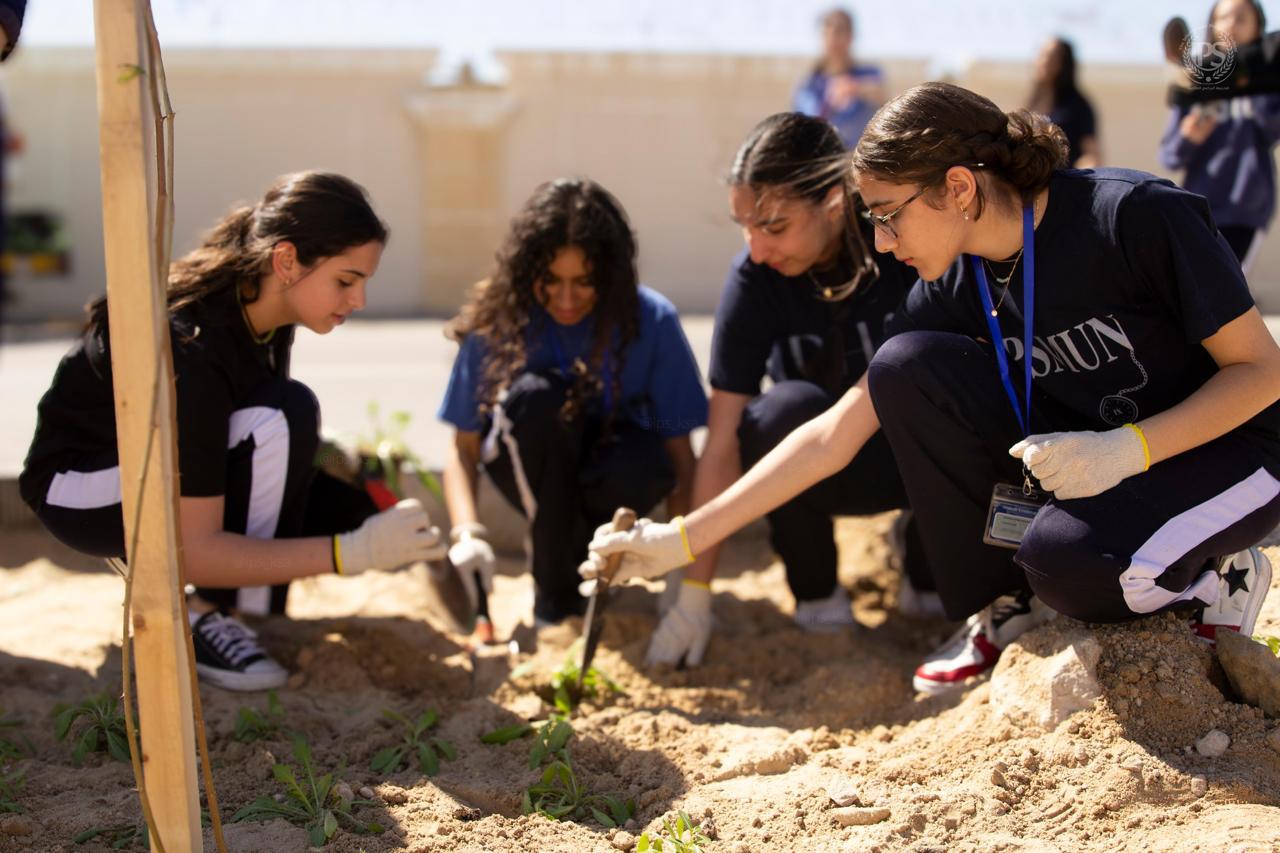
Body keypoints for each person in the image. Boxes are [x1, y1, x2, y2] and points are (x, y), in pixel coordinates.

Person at [585, 82, 1280, 698]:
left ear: (958, 187)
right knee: (902, 365)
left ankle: (1217, 580)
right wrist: (680, 540)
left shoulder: (1134, 217)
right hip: (1102, 458)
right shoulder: (963, 277)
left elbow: (1262, 373)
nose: (881, 243)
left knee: (1068, 564)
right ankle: (1002, 606)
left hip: (1233, 447)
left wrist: (1128, 449)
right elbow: (835, 431)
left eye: (887, 215)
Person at [20, 172, 448, 691]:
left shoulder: (267, 315)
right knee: (286, 419)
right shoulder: (193, 345)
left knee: (344, 494)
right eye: (345, 280)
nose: (357, 300)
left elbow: (249, 423)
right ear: (287, 261)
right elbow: (196, 544)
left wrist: (344, 473)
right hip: (81, 484)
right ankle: (204, 615)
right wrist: (351, 553)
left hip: (166, 455)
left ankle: (244, 614)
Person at [644, 112, 931, 669]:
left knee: (932, 394)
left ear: (830, 200)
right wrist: (694, 593)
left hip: (913, 454)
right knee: (779, 411)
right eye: (743, 227)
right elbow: (723, 439)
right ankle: (816, 590)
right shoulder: (756, 279)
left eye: (774, 227)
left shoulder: (899, 247)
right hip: (814, 467)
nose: (755, 248)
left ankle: (923, 558)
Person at [438, 178, 707, 628]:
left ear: (611, 276)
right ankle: (553, 597)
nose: (566, 300)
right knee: (539, 400)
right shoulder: (499, 322)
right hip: (532, 469)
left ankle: (586, 573)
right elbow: (463, 448)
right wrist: (468, 532)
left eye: (584, 283)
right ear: (528, 272)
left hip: (615, 477)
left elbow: (679, 449)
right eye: (551, 282)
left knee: (649, 456)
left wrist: (689, 570)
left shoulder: (652, 320)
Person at [1159, 0, 1280, 271]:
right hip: (1197, 206)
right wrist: (1189, 138)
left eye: (1241, 18)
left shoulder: (1271, 80)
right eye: (1224, 17)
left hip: (1246, 210)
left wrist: (1252, 84)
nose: (1231, 25)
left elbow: (1274, 129)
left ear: (1258, 26)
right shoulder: (1195, 79)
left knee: (1225, 292)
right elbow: (1169, 156)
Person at [791, 8, 885, 149]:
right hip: (823, 160)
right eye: (829, 31)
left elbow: (884, 98)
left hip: (860, 159)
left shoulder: (868, 73)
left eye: (841, 30)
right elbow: (803, 125)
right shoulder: (809, 82)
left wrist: (855, 87)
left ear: (851, 36)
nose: (834, 38)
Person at [1026, 37, 1101, 169]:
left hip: (1064, 183)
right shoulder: (1031, 102)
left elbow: (1091, 155)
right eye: (1042, 55)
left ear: (1064, 64)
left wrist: (1079, 181)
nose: (1044, 61)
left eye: (1052, 57)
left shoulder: (1078, 105)